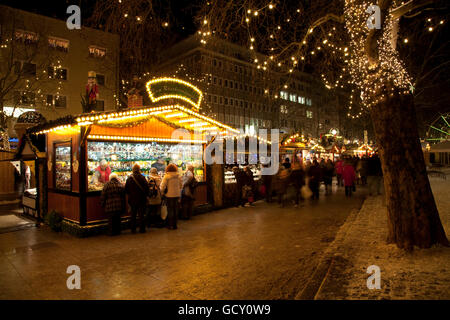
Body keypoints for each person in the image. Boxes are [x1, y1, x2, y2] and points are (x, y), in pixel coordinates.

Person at [125, 164, 149, 233]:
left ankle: (133, 229)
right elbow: (147, 188)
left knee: (133, 215)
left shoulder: (129, 179)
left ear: (133, 170)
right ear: (139, 169)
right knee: (141, 214)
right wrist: (146, 196)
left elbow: (126, 190)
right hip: (141, 199)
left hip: (132, 199)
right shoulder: (142, 177)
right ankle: (142, 229)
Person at [160, 163, 182, 230]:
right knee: (175, 210)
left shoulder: (166, 176)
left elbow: (162, 186)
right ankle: (175, 225)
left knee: (170, 210)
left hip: (169, 195)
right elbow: (181, 185)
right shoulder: (178, 176)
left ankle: (170, 225)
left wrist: (162, 192)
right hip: (177, 195)